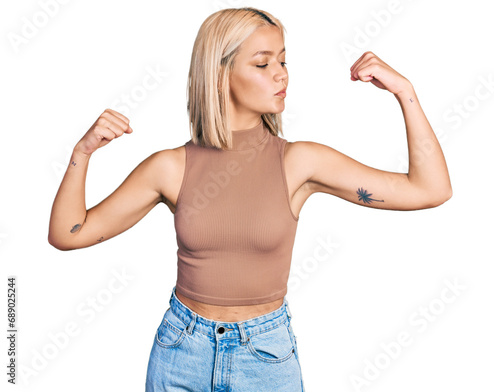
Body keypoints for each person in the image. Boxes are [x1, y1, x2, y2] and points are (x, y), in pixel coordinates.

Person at [47, 6, 452, 392]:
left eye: (283, 61)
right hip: (180, 352)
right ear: (220, 74)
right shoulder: (169, 168)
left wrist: (404, 92)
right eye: (263, 64)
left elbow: (429, 190)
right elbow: (69, 234)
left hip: (264, 355)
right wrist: (82, 153)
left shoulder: (298, 162)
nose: (281, 76)